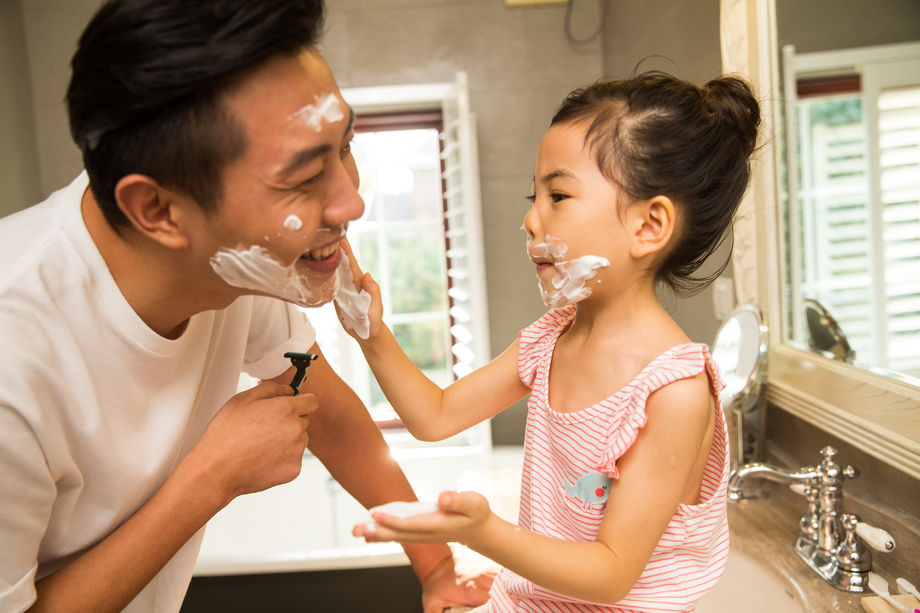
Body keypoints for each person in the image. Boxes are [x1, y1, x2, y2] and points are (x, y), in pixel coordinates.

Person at [0, 1, 492, 612]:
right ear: (158, 211)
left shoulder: (228, 268)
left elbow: (329, 414)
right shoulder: (12, 359)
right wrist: (211, 480)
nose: (352, 203)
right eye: (304, 178)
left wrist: (437, 566)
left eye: (346, 148)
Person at [343, 72, 761, 612]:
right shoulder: (552, 338)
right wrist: (370, 331)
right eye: (532, 194)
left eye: (557, 195)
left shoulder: (672, 392)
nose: (530, 218)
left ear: (649, 225)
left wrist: (484, 533)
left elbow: (611, 575)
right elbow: (436, 416)